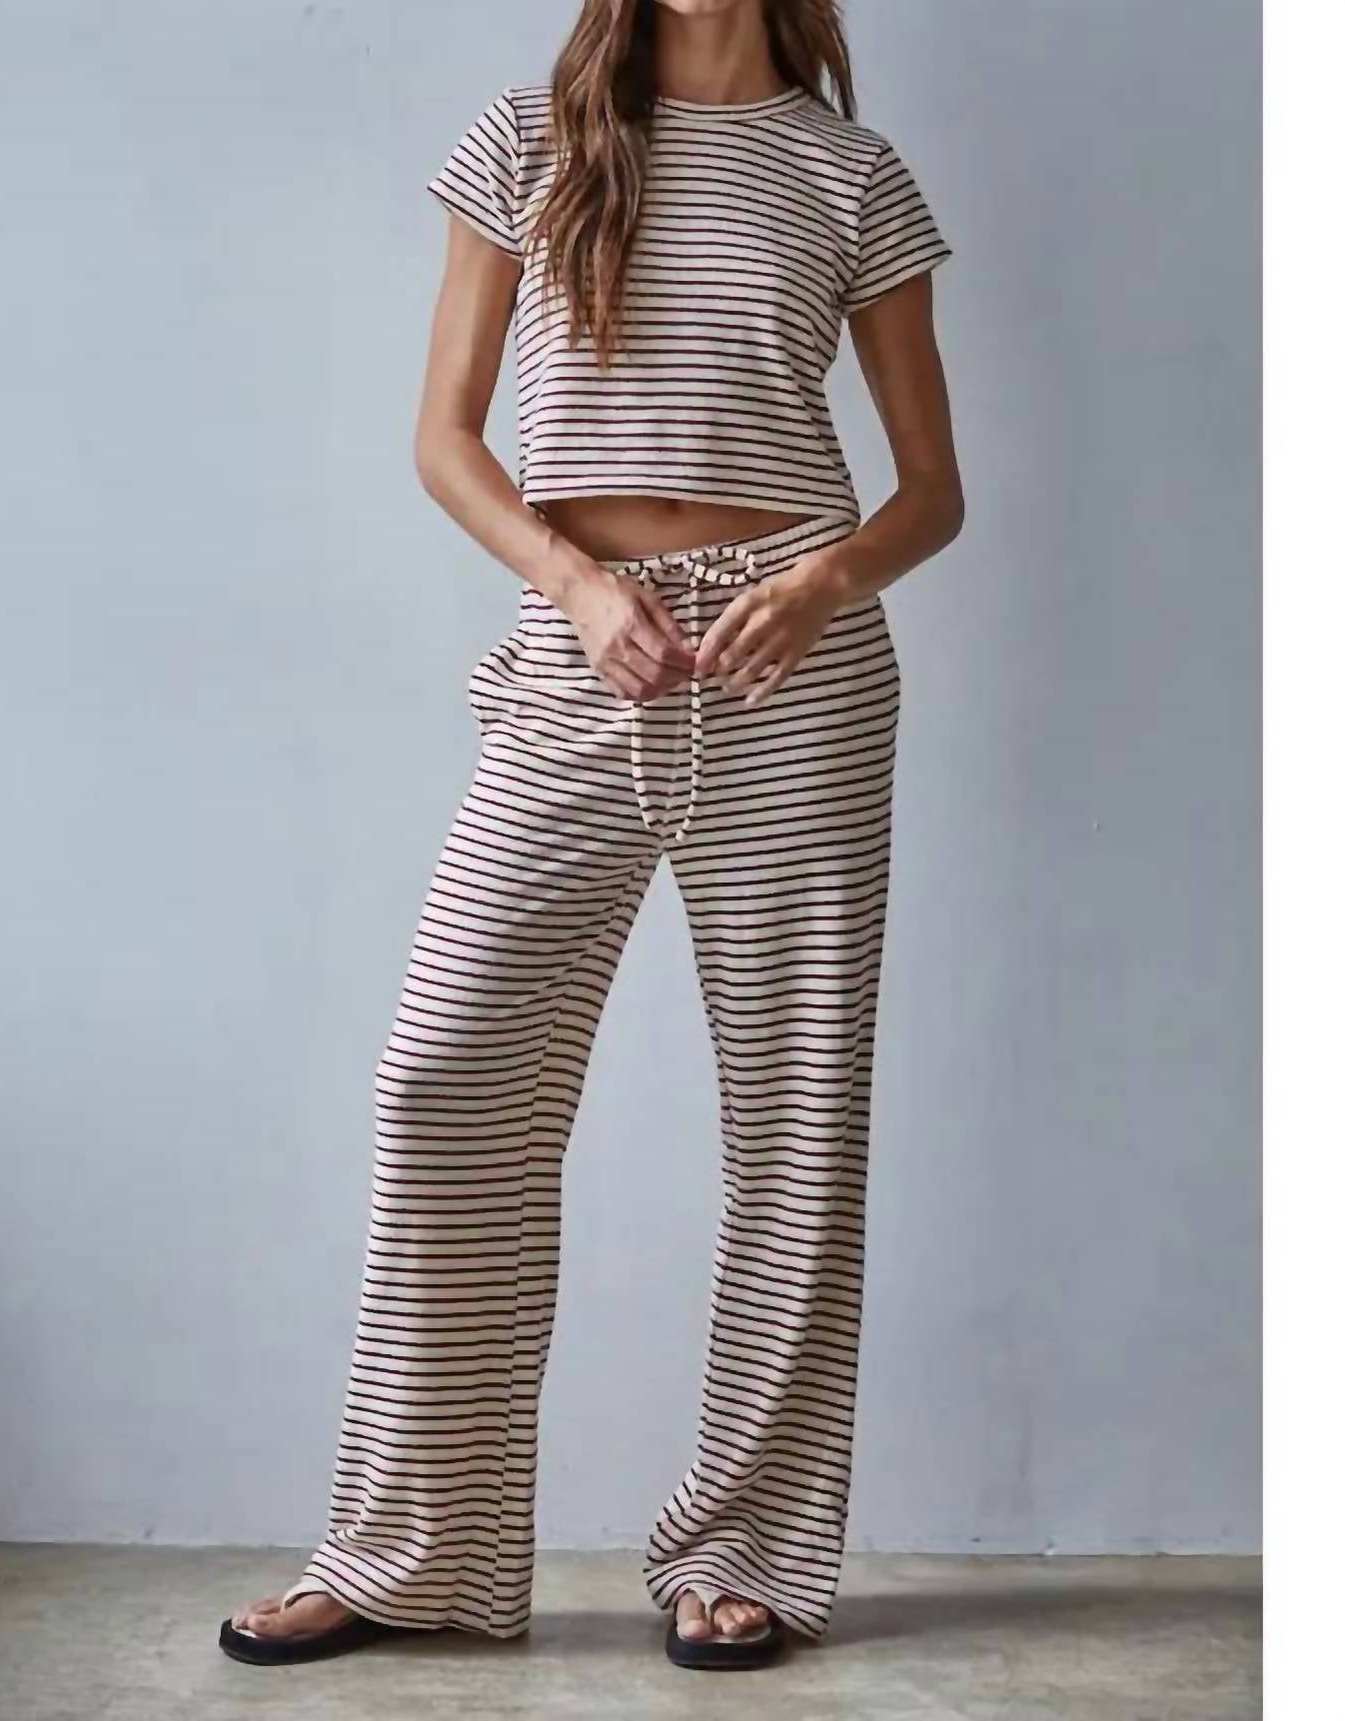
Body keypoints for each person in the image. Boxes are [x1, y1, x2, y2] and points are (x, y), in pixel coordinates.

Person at [221, 0, 961, 1674]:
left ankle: (746, 1547)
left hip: (796, 672)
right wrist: (570, 581)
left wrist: (825, 581)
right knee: (444, 1079)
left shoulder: (852, 176)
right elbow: (445, 436)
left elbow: (933, 488)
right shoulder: (529, 142)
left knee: (796, 1117)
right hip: (582, 656)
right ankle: (414, 1551)